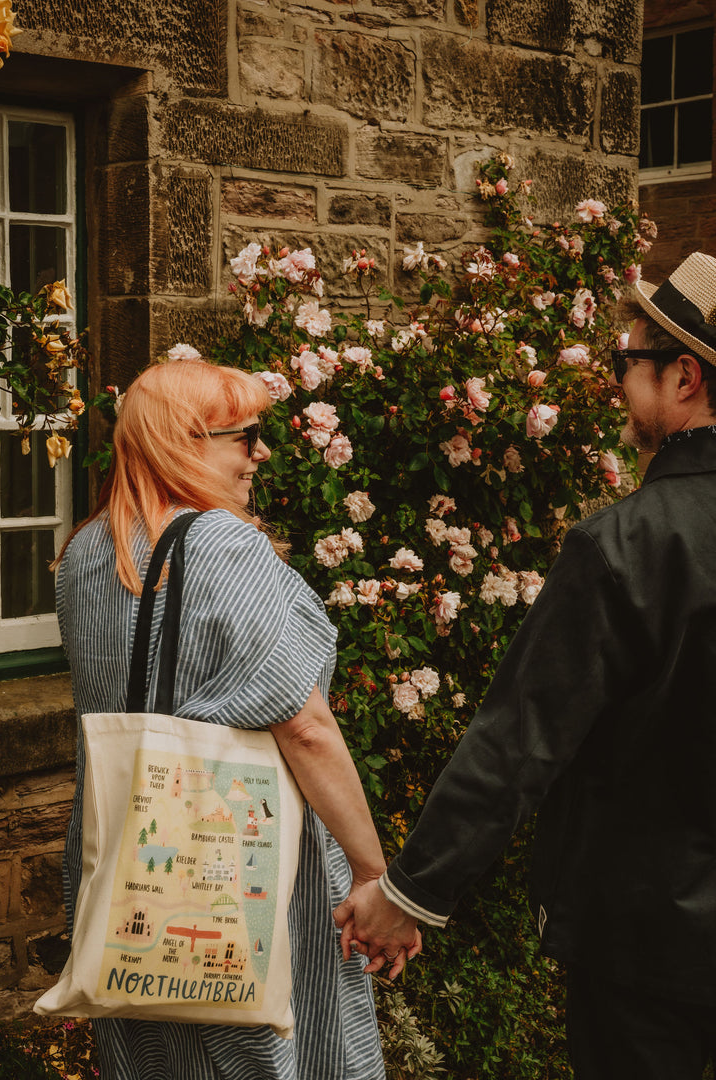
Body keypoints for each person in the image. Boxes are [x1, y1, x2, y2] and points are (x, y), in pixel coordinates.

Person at [335, 250, 716, 1079]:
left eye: (629, 361)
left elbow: (519, 740)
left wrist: (407, 896)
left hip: (645, 943)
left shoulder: (626, 544)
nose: (619, 379)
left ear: (683, 376)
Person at [55, 357, 419, 1080]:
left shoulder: (84, 553)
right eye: (244, 436)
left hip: (128, 851)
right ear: (184, 442)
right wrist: (377, 880)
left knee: (156, 1041)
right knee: (271, 1046)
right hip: (239, 860)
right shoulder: (226, 545)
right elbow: (305, 727)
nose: (262, 453)